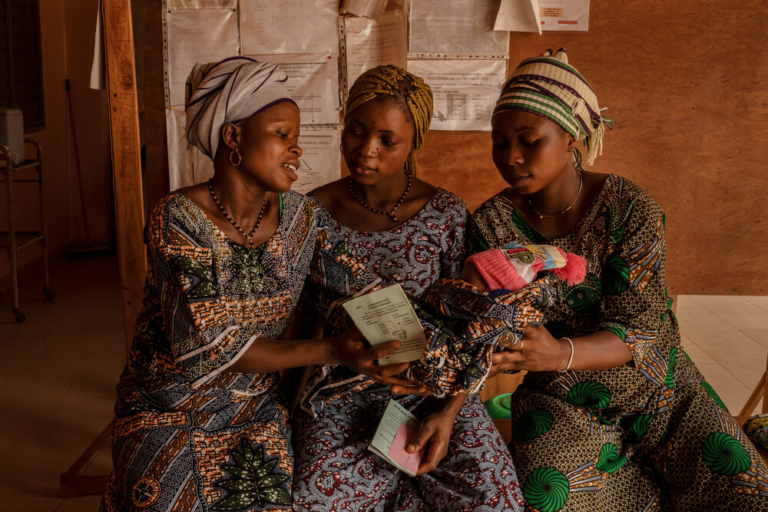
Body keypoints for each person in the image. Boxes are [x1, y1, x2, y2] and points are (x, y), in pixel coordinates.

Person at [472, 49, 768, 511]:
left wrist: (558, 352)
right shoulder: (492, 223)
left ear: (571, 138)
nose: (510, 157)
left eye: (529, 141)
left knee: (749, 495)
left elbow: (644, 330)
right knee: (545, 498)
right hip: (561, 399)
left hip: (660, 390)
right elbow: (486, 319)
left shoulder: (628, 207)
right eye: (499, 142)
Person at [100, 57, 401, 512]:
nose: (296, 151)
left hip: (255, 408)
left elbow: (363, 288)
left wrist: (419, 348)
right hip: (166, 408)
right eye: (282, 135)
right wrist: (335, 350)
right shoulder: (178, 218)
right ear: (233, 136)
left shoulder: (302, 217)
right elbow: (208, 346)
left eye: (297, 140)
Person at [290, 65, 525, 511]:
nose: (365, 150)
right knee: (312, 500)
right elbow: (299, 320)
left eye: (387, 140)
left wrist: (449, 413)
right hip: (344, 389)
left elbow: (472, 326)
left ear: (414, 141)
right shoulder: (311, 213)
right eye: (356, 131)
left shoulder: (446, 214)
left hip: (438, 392)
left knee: (496, 501)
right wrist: (288, 415)